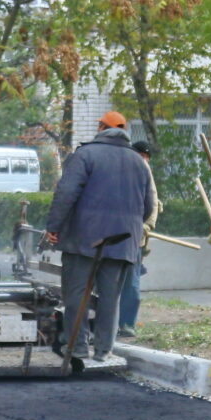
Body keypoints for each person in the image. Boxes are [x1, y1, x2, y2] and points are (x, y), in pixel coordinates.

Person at [44, 110, 154, 362]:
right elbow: (147, 207)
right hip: (123, 242)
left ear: (102, 128)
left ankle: (78, 348)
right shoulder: (139, 162)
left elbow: (66, 193)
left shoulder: (85, 154)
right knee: (110, 298)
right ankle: (104, 350)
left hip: (85, 240)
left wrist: (54, 227)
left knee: (77, 295)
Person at [116, 139, 162, 340]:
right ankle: (120, 324)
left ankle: (125, 324)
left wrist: (146, 226)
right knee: (123, 281)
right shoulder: (128, 167)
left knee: (129, 281)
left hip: (132, 234)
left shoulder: (139, 169)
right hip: (125, 233)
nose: (143, 160)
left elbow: (152, 201)